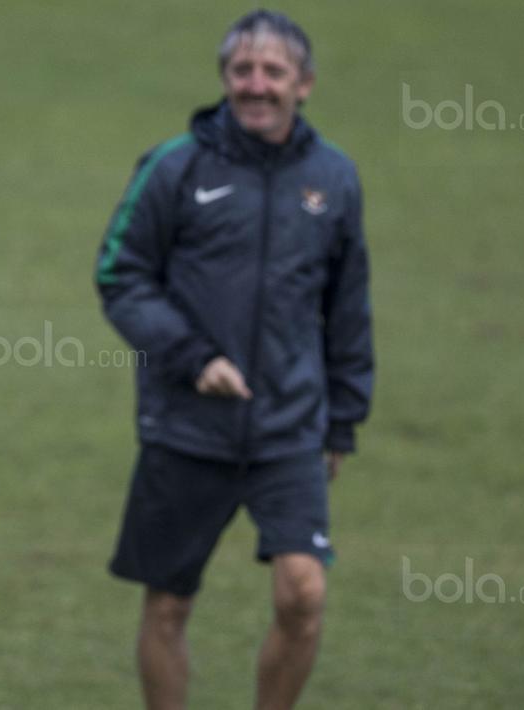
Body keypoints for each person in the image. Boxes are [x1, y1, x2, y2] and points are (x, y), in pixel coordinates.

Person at [95, 9, 373, 710]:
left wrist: (341, 422)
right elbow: (119, 274)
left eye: (272, 72)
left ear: (303, 83)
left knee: (303, 592)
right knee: (167, 607)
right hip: (186, 425)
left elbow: (348, 305)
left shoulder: (333, 178)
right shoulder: (174, 165)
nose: (255, 84)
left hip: (288, 428)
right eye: (241, 71)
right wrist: (192, 357)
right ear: (224, 78)